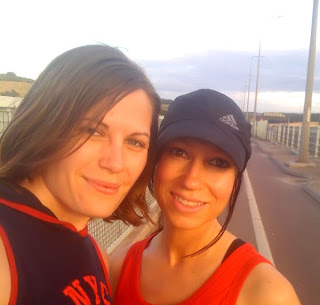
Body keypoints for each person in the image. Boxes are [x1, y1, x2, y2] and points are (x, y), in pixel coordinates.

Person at [0, 44, 160, 305]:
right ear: (45, 124)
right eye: (93, 131)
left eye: (135, 142)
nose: (115, 163)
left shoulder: (95, 253)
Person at [110, 89, 301, 305]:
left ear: (235, 181)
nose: (191, 180)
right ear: (156, 161)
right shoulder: (119, 267)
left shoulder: (267, 294)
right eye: (179, 153)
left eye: (218, 163)